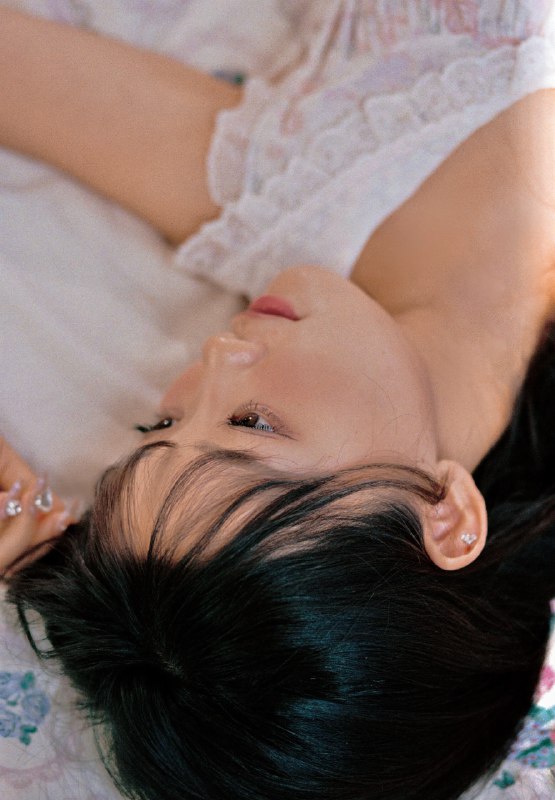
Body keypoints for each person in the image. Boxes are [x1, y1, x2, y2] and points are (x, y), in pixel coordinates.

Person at [1, 2, 555, 799]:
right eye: (250, 424)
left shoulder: (273, 192)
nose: (218, 356)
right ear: (445, 517)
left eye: (161, 423)